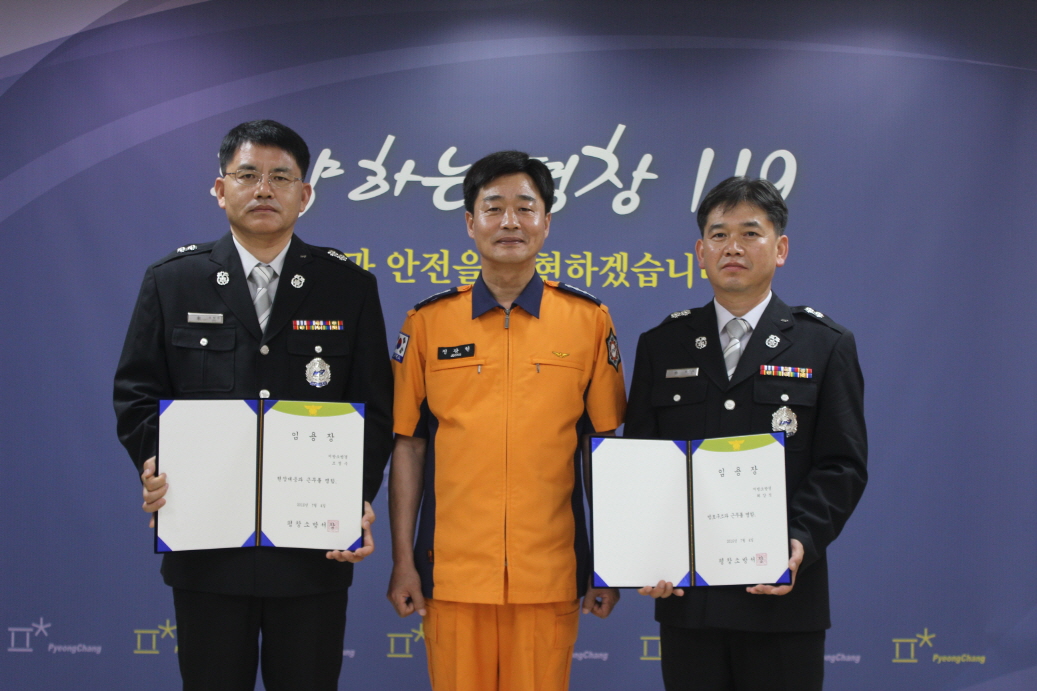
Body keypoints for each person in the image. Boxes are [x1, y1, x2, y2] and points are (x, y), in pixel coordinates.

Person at [113, 120, 393, 691]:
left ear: (304, 194)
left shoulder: (348, 286)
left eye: (281, 177)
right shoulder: (173, 281)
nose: (264, 189)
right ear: (221, 189)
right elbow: (136, 392)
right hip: (208, 549)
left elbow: (374, 406)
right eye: (247, 175)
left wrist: (353, 497)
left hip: (311, 552)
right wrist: (155, 462)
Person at [386, 151, 627, 691]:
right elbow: (409, 446)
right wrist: (404, 561)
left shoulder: (589, 321)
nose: (510, 222)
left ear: (547, 222)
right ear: (470, 223)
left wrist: (609, 563)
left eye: (525, 207)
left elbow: (603, 449)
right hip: (452, 575)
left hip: (549, 574)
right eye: (493, 208)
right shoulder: (427, 323)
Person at [625, 176, 867, 691]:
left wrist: (800, 540)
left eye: (750, 233)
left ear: (780, 249)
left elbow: (842, 465)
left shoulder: (825, 345)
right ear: (700, 252)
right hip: (689, 602)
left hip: (783, 602)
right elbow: (642, 462)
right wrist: (648, 551)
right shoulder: (662, 345)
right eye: (718, 234)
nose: (732, 247)